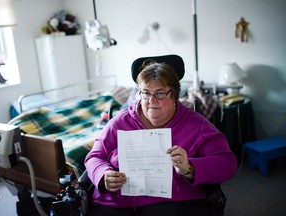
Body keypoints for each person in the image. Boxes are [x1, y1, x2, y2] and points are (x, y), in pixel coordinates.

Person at [84, 55, 237, 216]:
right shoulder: (119, 122)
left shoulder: (196, 125)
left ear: (174, 95)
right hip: (116, 201)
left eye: (160, 93)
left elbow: (228, 164)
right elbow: (94, 156)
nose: (151, 100)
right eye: (146, 93)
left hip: (171, 201)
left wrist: (189, 168)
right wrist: (103, 175)